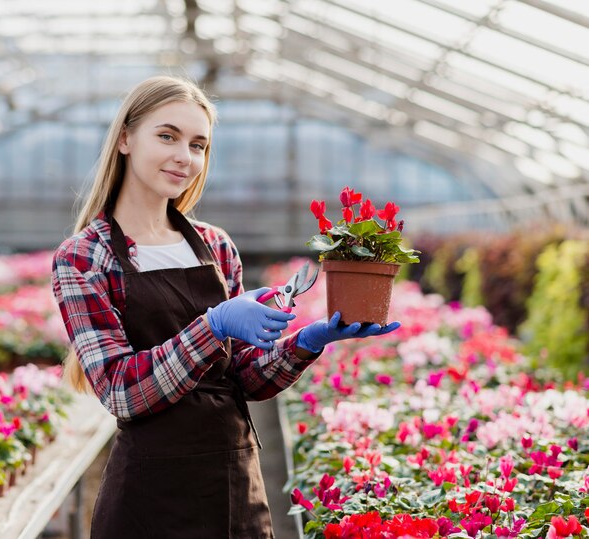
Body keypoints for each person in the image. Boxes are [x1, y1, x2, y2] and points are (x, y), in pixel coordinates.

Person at [51, 75, 400, 539]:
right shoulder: (84, 256)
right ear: (125, 139)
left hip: (233, 480)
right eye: (167, 136)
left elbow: (243, 380)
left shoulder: (215, 246)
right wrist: (212, 326)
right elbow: (121, 391)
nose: (184, 157)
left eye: (198, 145)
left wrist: (307, 342)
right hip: (149, 498)